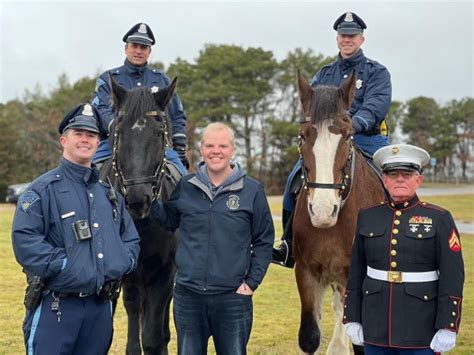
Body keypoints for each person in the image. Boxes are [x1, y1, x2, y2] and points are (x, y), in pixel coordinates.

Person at [12, 103, 141, 354]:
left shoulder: (109, 194)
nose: (85, 139)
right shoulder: (42, 190)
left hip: (100, 309)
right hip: (57, 307)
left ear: (97, 143)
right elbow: (25, 241)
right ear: (63, 139)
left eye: (91, 135)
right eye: (78, 133)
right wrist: (65, 265)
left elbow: (130, 239)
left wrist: (119, 263)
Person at [272, 11, 392, 267]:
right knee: (294, 181)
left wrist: (354, 126)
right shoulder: (324, 74)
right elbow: (310, 108)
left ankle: (395, 243)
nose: (347, 39)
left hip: (368, 139)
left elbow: (375, 106)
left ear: (361, 39)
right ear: (337, 39)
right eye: (343, 35)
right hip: (327, 142)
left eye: (352, 35)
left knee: (393, 183)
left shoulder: (377, 73)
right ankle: (288, 245)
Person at [151, 122, 274, 354]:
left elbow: (264, 240)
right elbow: (169, 221)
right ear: (201, 149)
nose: (215, 151)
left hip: (233, 298)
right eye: (209, 145)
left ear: (232, 150)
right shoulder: (186, 186)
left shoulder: (252, 191)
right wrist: (149, 199)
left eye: (222, 146)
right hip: (188, 296)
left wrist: (251, 282)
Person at [343, 143, 464, 354]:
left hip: (421, 327)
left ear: (418, 180)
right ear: (384, 180)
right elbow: (356, 272)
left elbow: (452, 275)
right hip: (375, 324)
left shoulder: (439, 218)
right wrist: (352, 317)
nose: (399, 179)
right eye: (392, 173)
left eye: (407, 174)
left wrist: (448, 325)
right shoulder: (367, 216)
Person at [92, 22, 188, 174]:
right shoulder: (109, 79)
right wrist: (115, 126)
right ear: (126, 48)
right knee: (88, 176)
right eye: (134, 46)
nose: (138, 51)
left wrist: (180, 147)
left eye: (143, 47)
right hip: (115, 143)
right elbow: (100, 109)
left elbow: (177, 115)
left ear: (149, 52)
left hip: (157, 145)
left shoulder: (162, 79)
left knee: (184, 182)